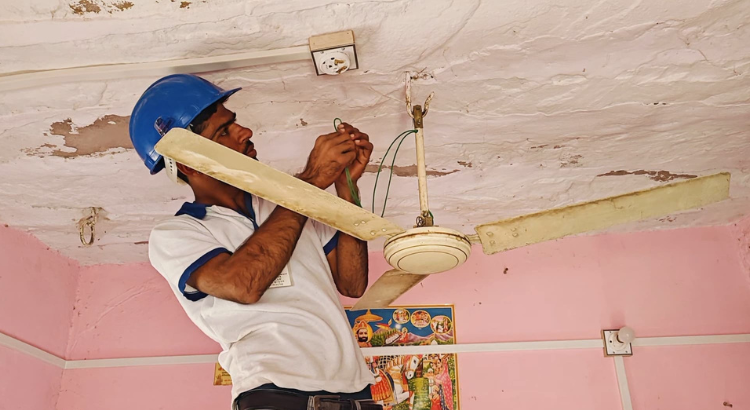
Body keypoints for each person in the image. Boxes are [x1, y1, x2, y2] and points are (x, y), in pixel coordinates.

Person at [129, 74, 382, 410]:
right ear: (188, 163)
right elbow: (243, 285)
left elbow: (352, 283)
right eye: (224, 131)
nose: (245, 132)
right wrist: (309, 182)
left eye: (234, 123)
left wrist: (345, 186)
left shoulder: (288, 204)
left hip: (356, 395)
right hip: (276, 396)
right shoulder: (176, 234)